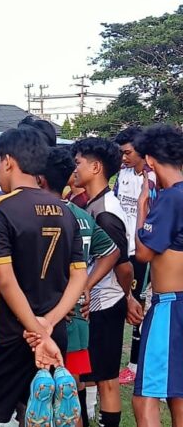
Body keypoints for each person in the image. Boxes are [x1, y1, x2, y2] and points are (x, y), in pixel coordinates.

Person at [0, 128, 88, 426]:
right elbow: (79, 278)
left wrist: (34, 327)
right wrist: (47, 325)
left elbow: (6, 279)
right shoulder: (66, 212)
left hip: (8, 334)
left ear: (8, 162)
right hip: (52, 332)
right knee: (48, 411)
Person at [41, 146, 120, 427]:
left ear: (39, 178)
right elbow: (111, 252)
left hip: (41, 316)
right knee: (70, 390)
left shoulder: (33, 214)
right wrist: (85, 285)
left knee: (39, 391)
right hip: (75, 316)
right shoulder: (81, 214)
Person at [71, 137, 141, 427]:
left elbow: (122, 266)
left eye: (78, 163)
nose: (74, 169)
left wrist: (126, 298)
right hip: (92, 302)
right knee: (86, 376)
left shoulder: (107, 212)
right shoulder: (92, 204)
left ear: (96, 167)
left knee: (107, 379)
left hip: (104, 303)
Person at [131, 124, 183, 427]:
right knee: (178, 392)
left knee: (146, 394)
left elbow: (144, 253)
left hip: (170, 305)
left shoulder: (170, 199)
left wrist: (141, 209)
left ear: (149, 161)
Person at [113, 126, 157, 385]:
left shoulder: (153, 178)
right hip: (122, 249)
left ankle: (135, 364)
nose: (124, 157)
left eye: (128, 153)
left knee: (139, 305)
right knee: (121, 303)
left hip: (142, 253)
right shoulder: (123, 175)